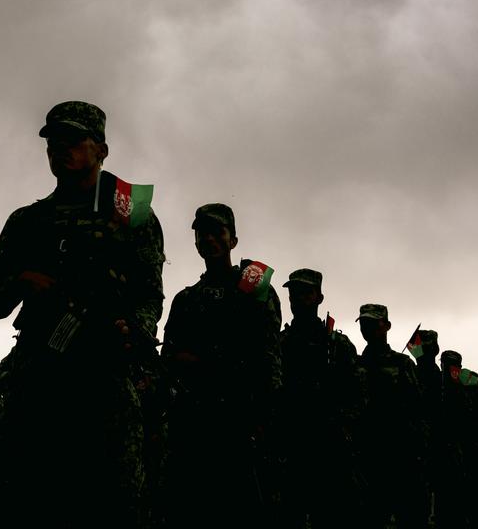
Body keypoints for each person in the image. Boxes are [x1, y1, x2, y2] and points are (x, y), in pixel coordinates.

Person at [0, 101, 165, 528]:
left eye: (73, 141)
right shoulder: (28, 222)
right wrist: (23, 280)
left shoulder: (132, 215)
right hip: (40, 379)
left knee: (111, 504)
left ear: (101, 149)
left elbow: (149, 294)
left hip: (105, 379)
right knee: (30, 502)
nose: (60, 150)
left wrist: (135, 326)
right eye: (53, 142)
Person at [160, 203, 282, 527]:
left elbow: (268, 357)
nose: (210, 240)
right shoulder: (186, 300)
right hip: (194, 425)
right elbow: (168, 360)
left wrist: (264, 417)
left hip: (241, 421)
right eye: (203, 234)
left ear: (233, 240)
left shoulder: (255, 291)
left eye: (218, 233)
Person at [278, 268, 365, 527]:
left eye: (306, 292)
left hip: (330, 454)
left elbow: (358, 397)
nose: (298, 298)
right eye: (293, 293)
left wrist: (342, 430)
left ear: (319, 297)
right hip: (289, 450)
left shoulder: (338, 346)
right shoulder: (280, 343)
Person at [355, 304, 428, 528]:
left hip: (401, 457)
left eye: (373, 324)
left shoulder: (402, 364)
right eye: (364, 324)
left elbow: (418, 411)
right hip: (368, 458)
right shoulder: (356, 364)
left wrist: (419, 452)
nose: (368, 329)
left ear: (386, 326)